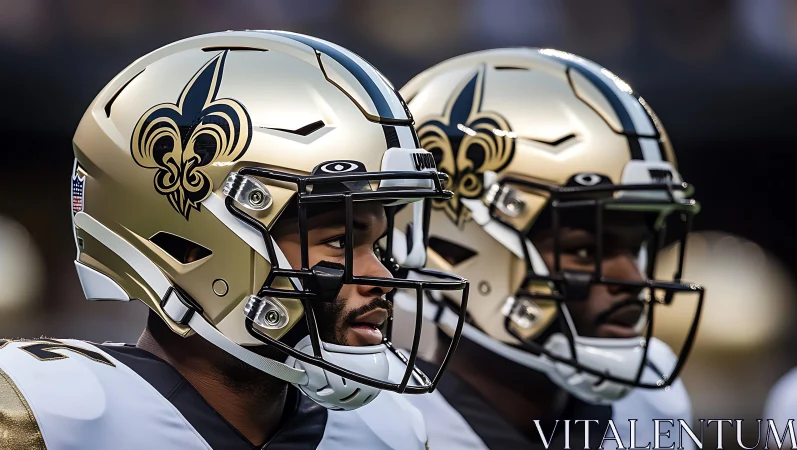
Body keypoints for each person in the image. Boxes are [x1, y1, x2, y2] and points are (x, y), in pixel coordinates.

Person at [0, 30, 468, 449]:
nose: (380, 276)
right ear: (190, 246)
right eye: (341, 243)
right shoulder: (48, 417)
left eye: (378, 245)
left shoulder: (388, 431)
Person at [388, 48, 704, 449]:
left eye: (637, 247)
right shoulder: (374, 430)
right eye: (585, 251)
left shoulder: (649, 405)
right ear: (453, 250)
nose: (633, 279)